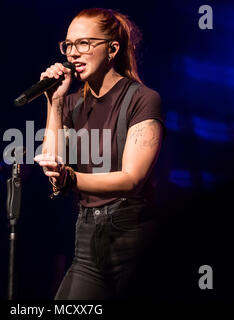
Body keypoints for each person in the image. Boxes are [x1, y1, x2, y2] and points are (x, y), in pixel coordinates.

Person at [34, 8, 165, 299]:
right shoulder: (69, 104)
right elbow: (55, 171)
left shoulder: (142, 99)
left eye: (84, 43)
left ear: (112, 49)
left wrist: (71, 179)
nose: (72, 54)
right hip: (88, 237)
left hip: (133, 238)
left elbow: (132, 179)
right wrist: (53, 102)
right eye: (68, 45)